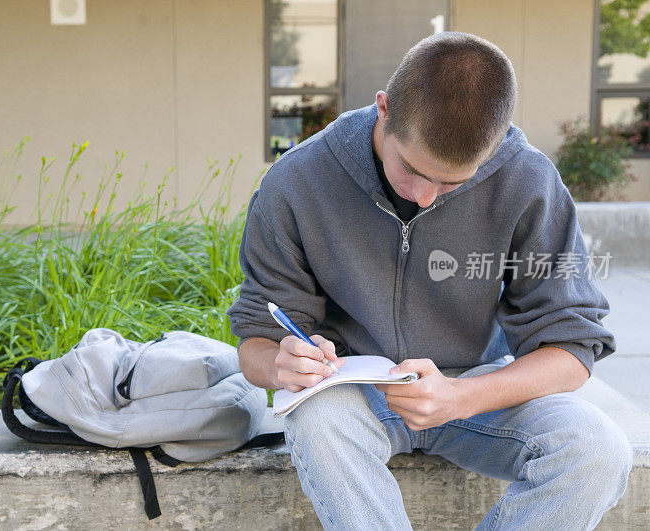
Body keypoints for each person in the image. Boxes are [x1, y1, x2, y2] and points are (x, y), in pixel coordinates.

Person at [226, 31, 632, 530]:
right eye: (413, 169)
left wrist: (460, 398)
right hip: (353, 391)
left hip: (476, 390)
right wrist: (279, 364)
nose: (425, 196)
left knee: (597, 451)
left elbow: (571, 350)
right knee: (319, 422)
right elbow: (256, 340)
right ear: (384, 108)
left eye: (452, 183)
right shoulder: (296, 182)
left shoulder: (528, 181)